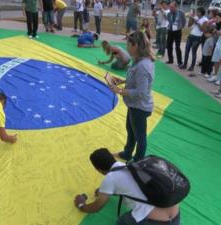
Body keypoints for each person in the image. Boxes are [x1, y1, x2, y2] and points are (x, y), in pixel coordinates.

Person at [74, 148, 181, 225]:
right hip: (175, 215)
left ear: (99, 170)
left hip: (153, 221)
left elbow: (97, 207)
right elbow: (131, 185)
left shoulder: (110, 178)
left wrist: (81, 205)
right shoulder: (129, 166)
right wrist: (105, 191)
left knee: (122, 222)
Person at [108, 31, 154, 162]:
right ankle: (127, 153)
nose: (127, 48)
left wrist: (120, 91)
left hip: (139, 107)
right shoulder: (139, 60)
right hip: (134, 105)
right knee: (130, 129)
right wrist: (122, 81)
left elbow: (141, 92)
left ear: (135, 45)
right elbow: (135, 79)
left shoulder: (143, 66)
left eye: (128, 45)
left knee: (140, 137)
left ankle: (137, 162)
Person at [180, 7, 208, 71]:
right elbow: (189, 25)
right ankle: (184, 64)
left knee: (193, 52)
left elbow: (202, 29)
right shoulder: (196, 17)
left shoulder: (205, 19)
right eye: (196, 12)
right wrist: (191, 18)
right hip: (191, 35)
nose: (196, 13)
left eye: (198, 12)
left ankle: (192, 66)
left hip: (197, 37)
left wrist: (197, 22)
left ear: (201, 12)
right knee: (186, 51)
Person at [165, 1, 186, 66]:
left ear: (176, 7)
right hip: (170, 31)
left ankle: (180, 62)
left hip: (177, 32)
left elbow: (184, 22)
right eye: (170, 7)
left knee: (177, 47)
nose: (170, 8)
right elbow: (168, 20)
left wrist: (179, 27)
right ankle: (170, 60)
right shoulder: (169, 14)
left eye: (172, 7)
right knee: (169, 45)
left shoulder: (181, 13)